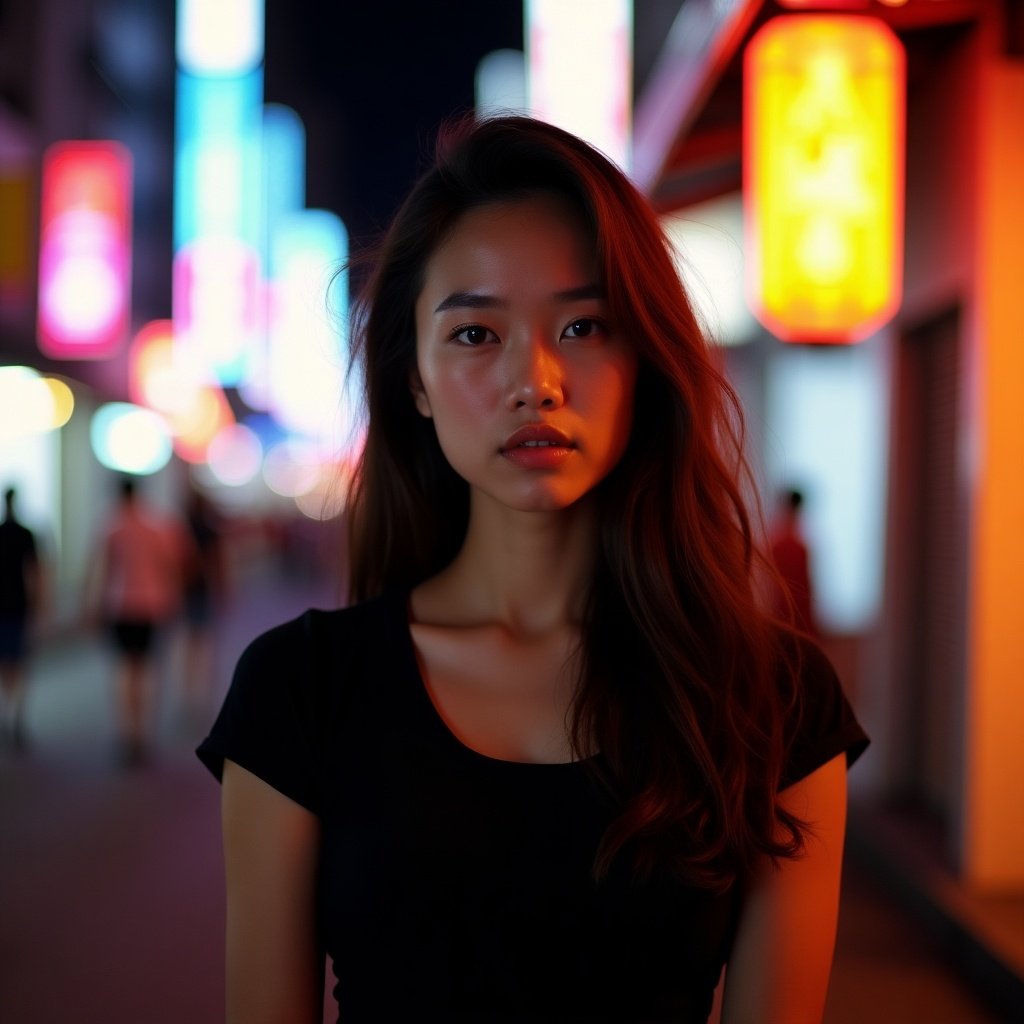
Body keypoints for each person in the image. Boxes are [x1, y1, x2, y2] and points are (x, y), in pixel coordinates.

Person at [198, 115, 868, 1023]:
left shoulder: (773, 698)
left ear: (645, 363)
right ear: (416, 382)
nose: (537, 379)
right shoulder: (303, 691)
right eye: (476, 335)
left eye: (586, 324)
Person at [89, 477, 189, 766]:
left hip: (120, 605)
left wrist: (93, 605)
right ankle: (143, 730)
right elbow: (171, 566)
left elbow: (102, 567)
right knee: (145, 668)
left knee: (124, 669)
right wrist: (174, 598)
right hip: (151, 604)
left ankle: (126, 730)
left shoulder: (111, 526)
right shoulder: (156, 526)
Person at [0, 486, 42, 749]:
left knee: (5, 664)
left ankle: (8, 712)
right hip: (19, 606)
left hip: (3, 607)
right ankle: (15, 715)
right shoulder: (26, 534)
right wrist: (40, 603)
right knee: (19, 663)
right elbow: (36, 572)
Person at [768, 487, 819, 638]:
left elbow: (806, 587)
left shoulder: (790, 546)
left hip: (792, 617)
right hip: (785, 616)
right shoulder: (785, 546)